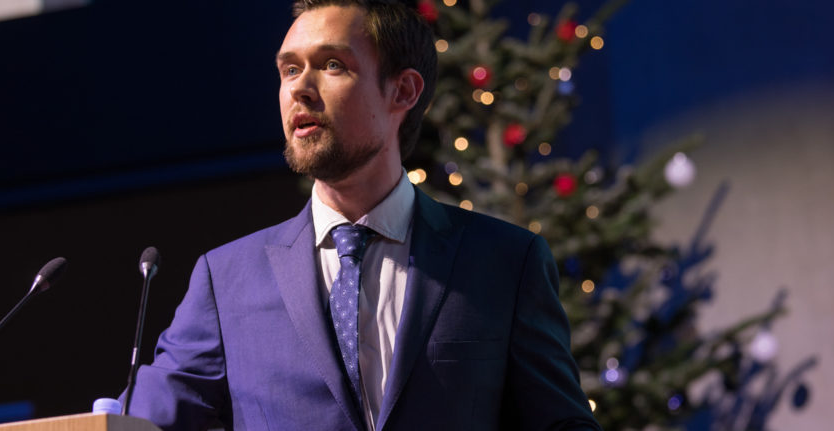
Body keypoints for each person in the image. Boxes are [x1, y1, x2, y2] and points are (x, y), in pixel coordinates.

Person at [124, 1, 599, 430]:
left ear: (403, 91)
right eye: (289, 70)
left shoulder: (505, 262)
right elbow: (138, 421)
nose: (299, 89)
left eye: (332, 65)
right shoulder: (226, 279)